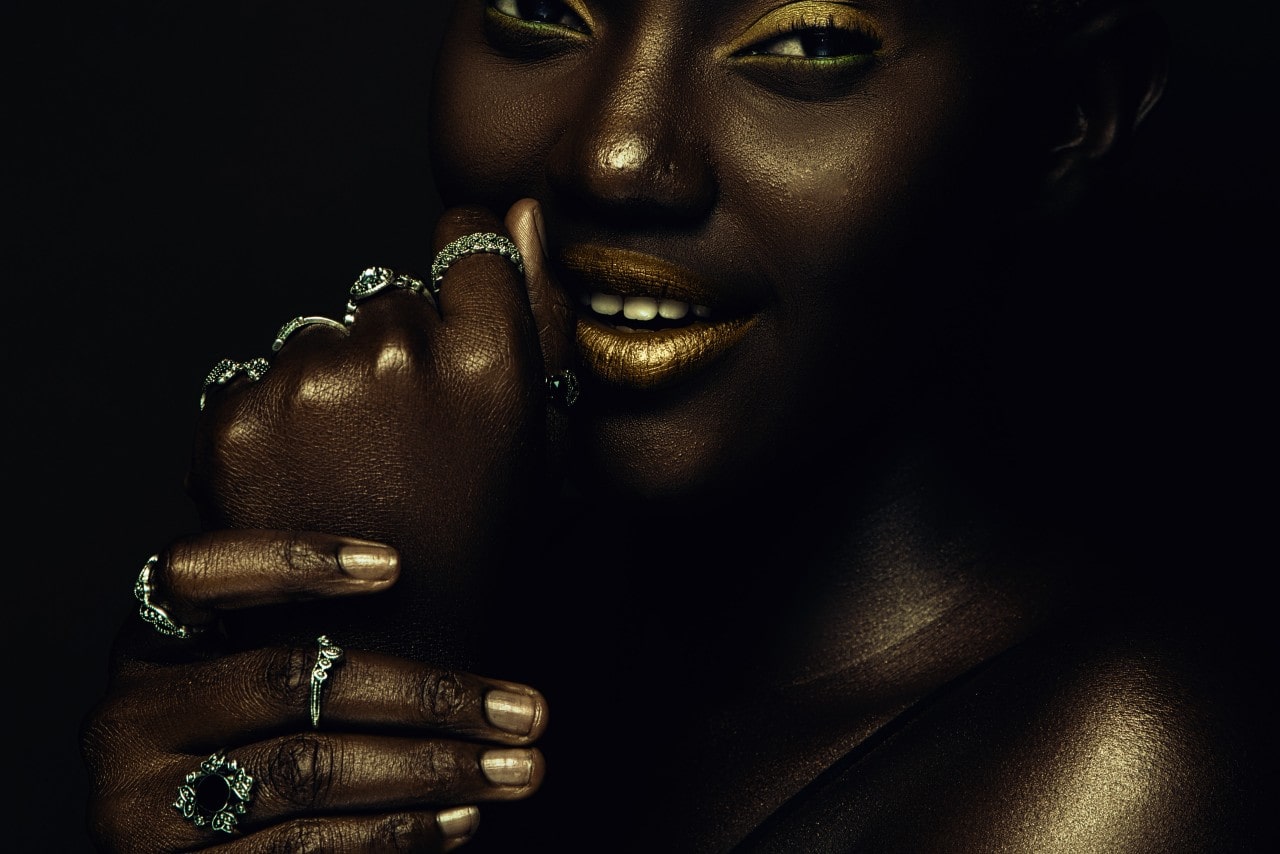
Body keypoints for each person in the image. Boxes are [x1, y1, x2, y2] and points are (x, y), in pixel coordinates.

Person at [78, 0, 1262, 851]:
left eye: (804, 45)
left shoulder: (1128, 767)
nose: (613, 151)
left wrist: (382, 703)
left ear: (1068, 114)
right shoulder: (528, 599)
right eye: (542, 9)